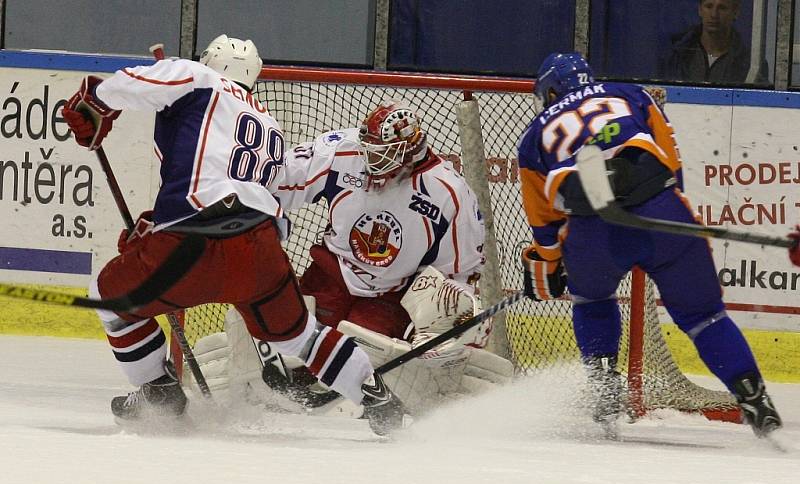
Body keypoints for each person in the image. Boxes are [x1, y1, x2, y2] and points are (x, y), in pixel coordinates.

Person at [60, 34, 406, 436]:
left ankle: (158, 391)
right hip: (261, 253)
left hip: (192, 245)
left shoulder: (198, 77)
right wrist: (157, 224)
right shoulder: (268, 123)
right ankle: (380, 402)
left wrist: (95, 99)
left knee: (108, 301)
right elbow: (234, 187)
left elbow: (138, 81)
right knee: (301, 337)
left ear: (210, 61)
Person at [517, 52, 782, 438]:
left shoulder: (534, 135)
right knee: (705, 317)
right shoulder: (633, 94)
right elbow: (670, 160)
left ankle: (606, 397)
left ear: (551, 90)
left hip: (594, 231)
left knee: (592, 301)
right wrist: (677, 212)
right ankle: (756, 402)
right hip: (661, 211)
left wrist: (552, 261)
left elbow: (544, 220)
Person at [190, 99, 513, 414]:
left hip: (389, 297)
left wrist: (456, 324)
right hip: (330, 276)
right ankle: (251, 389)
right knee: (284, 336)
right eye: (369, 151)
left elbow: (462, 272)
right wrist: (228, 201)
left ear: (408, 151)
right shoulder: (343, 151)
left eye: (382, 155)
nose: (371, 162)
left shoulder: (449, 193)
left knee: (363, 365)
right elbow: (282, 180)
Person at [659, 0, 768, 84]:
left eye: (722, 8)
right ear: (700, 10)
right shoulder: (676, 54)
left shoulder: (751, 63)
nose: (714, 15)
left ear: (735, 12)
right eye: (709, 6)